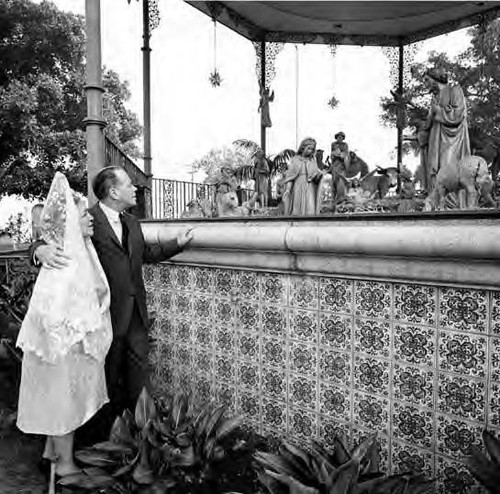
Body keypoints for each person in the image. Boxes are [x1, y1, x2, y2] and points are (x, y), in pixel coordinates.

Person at [32, 166, 194, 439]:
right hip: (102, 317)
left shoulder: (132, 222)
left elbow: (146, 254)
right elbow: (50, 239)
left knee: (139, 379)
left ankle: (142, 440)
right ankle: (98, 442)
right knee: (104, 380)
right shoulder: (85, 218)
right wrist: (39, 250)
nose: (135, 189)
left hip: (136, 316)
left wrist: (177, 243)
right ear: (113, 191)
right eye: (129, 185)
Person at [17, 172, 112, 485]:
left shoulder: (82, 248)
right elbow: (54, 304)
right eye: (82, 212)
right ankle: (66, 465)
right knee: (62, 402)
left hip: (71, 340)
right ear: (70, 219)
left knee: (63, 399)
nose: (89, 217)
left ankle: (50, 454)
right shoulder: (60, 257)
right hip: (61, 342)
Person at [422, 67, 470, 193]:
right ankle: (436, 199)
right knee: (435, 169)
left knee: (448, 170)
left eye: (427, 80)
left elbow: (458, 115)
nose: (425, 84)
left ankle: (451, 202)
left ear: (435, 79)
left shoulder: (455, 90)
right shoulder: (434, 98)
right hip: (435, 139)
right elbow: (428, 123)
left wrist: (438, 111)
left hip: (452, 141)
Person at [282, 137, 324, 215]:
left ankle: (310, 224)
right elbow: (290, 177)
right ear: (302, 148)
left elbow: (315, 178)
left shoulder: (312, 161)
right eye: (309, 148)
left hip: (310, 187)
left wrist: (319, 176)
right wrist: (288, 189)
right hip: (298, 185)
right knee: (297, 207)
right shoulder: (295, 160)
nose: (310, 151)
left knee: (310, 208)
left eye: (312, 149)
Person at [330, 131, 351, 203]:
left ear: (343, 138)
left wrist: (341, 155)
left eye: (341, 137)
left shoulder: (345, 145)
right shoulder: (333, 144)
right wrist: (335, 154)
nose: (340, 138)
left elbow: (346, 153)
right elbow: (332, 153)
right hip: (335, 165)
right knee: (334, 181)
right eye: (339, 137)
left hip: (342, 165)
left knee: (342, 181)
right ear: (337, 137)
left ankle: (341, 198)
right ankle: (334, 198)